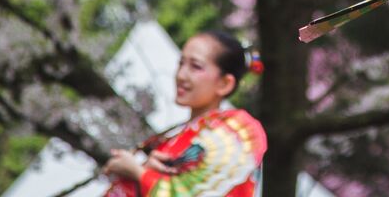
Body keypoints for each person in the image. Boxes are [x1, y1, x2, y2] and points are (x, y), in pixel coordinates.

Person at [102, 30, 266, 197]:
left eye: (196, 66)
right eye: (181, 63)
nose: (181, 75)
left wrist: (137, 172)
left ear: (224, 83)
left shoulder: (235, 131)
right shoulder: (181, 135)